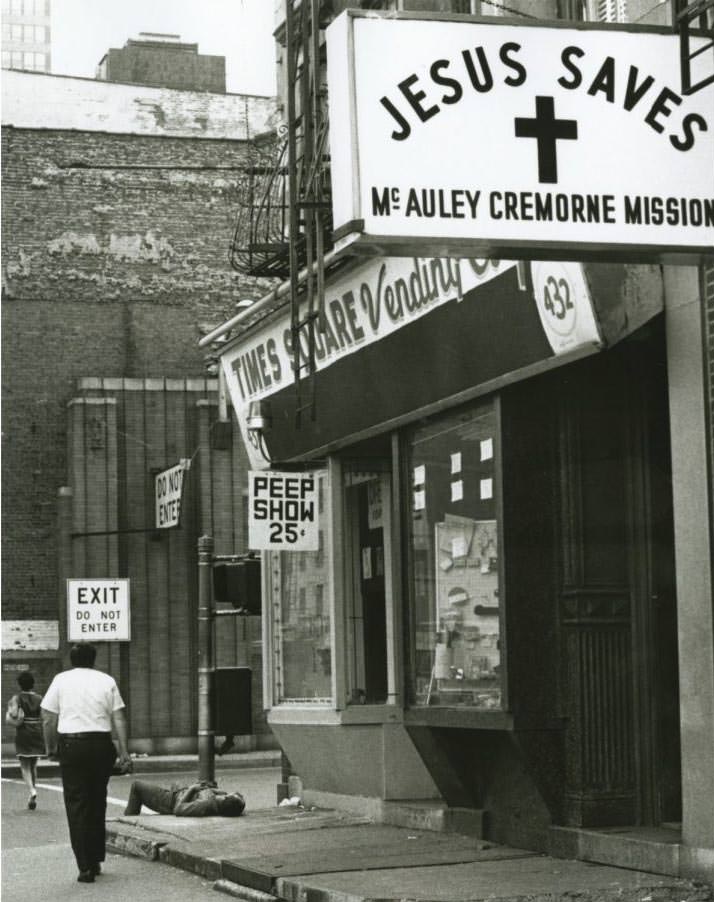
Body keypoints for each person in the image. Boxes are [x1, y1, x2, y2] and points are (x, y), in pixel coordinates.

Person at [41, 642, 131, 884]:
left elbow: (48, 717)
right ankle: (96, 858)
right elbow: (119, 717)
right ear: (93, 659)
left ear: (72, 659)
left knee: (77, 803)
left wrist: (51, 748)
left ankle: (84, 866)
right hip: (101, 745)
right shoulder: (106, 680)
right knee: (96, 800)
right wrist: (125, 752)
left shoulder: (61, 680)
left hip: (72, 745)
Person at [6, 671, 45, 810]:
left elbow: (14, 714)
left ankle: (32, 790)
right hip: (37, 731)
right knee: (34, 764)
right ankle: (31, 795)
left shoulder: (17, 698)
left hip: (23, 731)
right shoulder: (40, 698)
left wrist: (11, 709)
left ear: (20, 684)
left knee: (24, 765)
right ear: (32, 684)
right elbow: (43, 716)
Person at [124, 779, 245, 817]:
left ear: (225, 799)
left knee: (136, 786)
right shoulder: (216, 801)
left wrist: (192, 789)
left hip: (169, 801)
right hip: (176, 794)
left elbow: (178, 809)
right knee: (174, 783)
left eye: (232, 794)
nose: (228, 793)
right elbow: (220, 792)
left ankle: (128, 819)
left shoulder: (205, 804)